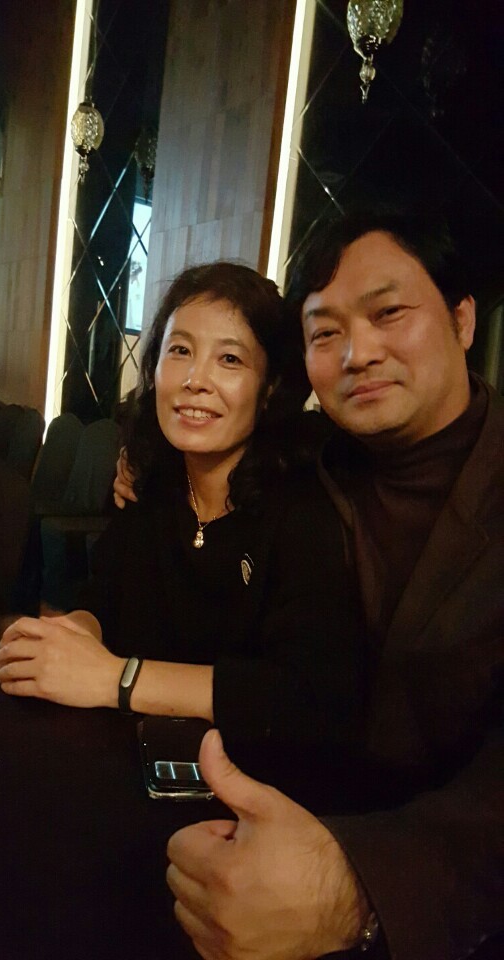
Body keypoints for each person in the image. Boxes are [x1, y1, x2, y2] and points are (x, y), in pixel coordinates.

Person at [164, 213, 504, 960]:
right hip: (253, 852)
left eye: (389, 313)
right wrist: (141, 466)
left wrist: (358, 891)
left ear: (462, 319)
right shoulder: (309, 467)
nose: (358, 353)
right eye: (325, 332)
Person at [0, 261, 364, 804]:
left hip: (252, 797)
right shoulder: (151, 486)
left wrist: (116, 678)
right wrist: (72, 634)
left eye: (229, 359)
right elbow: (105, 597)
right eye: (180, 350)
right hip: (129, 768)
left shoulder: (302, 510)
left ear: (270, 389)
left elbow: (306, 697)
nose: (195, 380)